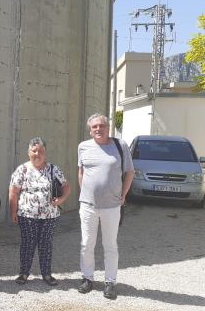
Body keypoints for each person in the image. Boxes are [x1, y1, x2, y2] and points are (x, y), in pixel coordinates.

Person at [77, 114, 133, 300]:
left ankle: (110, 282)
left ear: (108, 127)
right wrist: (84, 193)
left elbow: (130, 172)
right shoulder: (83, 147)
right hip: (88, 206)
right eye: (94, 127)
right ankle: (87, 278)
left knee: (110, 245)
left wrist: (123, 195)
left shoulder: (120, 145)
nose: (98, 129)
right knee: (86, 244)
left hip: (111, 206)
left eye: (102, 126)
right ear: (90, 130)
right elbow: (81, 172)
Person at [8, 137, 71, 286]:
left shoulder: (53, 169)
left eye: (41, 150)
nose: (38, 153)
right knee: (28, 244)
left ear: (45, 152)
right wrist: (13, 212)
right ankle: (23, 273)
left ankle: (47, 274)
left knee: (46, 244)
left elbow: (66, 186)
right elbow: (13, 192)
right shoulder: (22, 169)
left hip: (49, 216)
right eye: (34, 150)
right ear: (29, 152)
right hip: (27, 215)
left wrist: (61, 200)